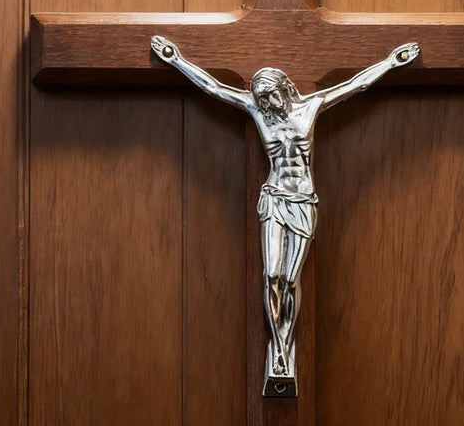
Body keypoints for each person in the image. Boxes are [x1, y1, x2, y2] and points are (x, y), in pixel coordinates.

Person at [151, 34, 420, 396]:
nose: (266, 105)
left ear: (284, 89)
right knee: (271, 275)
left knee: (291, 280)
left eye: (270, 97)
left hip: (304, 200)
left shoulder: (311, 107)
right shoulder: (258, 111)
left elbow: (356, 85)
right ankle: (278, 351)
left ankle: (286, 344)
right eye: (261, 99)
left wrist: (392, 62)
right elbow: (214, 88)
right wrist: (176, 60)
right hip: (274, 198)